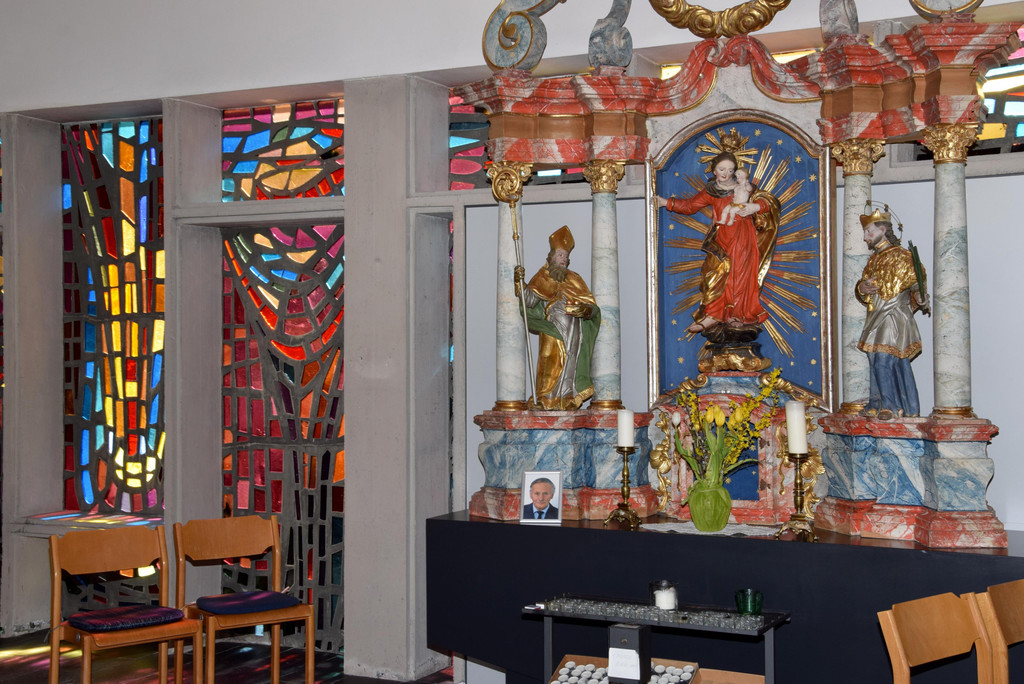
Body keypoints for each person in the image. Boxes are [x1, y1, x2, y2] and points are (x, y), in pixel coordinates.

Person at [657, 151, 780, 334]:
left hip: (743, 236)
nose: (725, 173)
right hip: (722, 238)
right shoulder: (711, 191)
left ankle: (738, 315)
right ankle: (713, 315)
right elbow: (690, 206)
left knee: (740, 274)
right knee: (714, 274)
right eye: (722, 169)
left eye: (730, 170)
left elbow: (770, 201)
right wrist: (666, 202)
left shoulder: (744, 187)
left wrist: (754, 206)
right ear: (714, 170)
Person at [516, 226, 601, 410]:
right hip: (552, 327)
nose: (563, 259)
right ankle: (544, 398)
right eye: (560, 255)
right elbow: (529, 301)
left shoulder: (575, 278)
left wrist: (585, 310)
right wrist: (519, 283)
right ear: (551, 257)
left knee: (571, 361)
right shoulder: (542, 277)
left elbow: (592, 307)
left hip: (574, 329)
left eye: (566, 256)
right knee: (549, 359)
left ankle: (567, 397)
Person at [856, 208, 929, 420]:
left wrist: (920, 296)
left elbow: (917, 285)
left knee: (883, 359)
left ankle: (890, 406)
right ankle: (877, 403)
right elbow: (862, 288)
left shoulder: (903, 257)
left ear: (882, 229)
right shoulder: (873, 260)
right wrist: (862, 288)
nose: (865, 237)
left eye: (868, 231)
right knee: (874, 358)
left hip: (894, 315)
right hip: (876, 315)